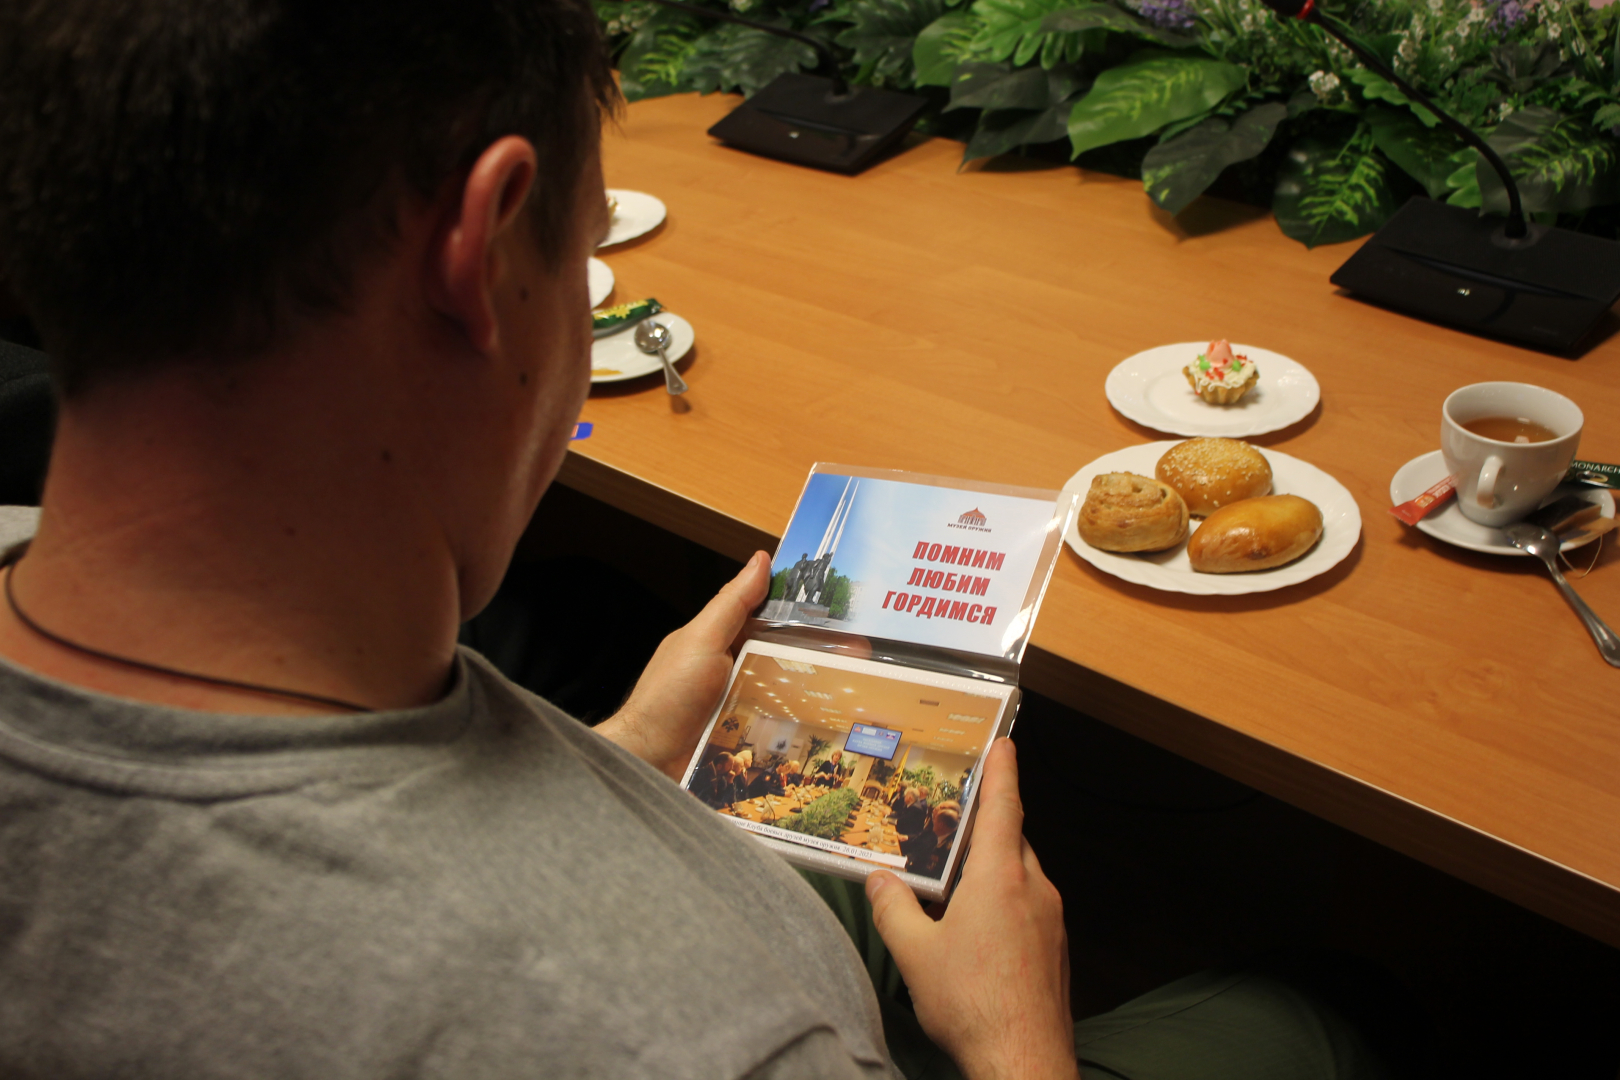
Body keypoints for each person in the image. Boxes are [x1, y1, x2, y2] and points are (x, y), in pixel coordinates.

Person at [0, 3, 1407, 1077]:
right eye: (583, 249)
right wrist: (1013, 1037)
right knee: (1315, 1012)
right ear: (483, 257)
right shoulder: (706, 1030)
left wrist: (610, 765)